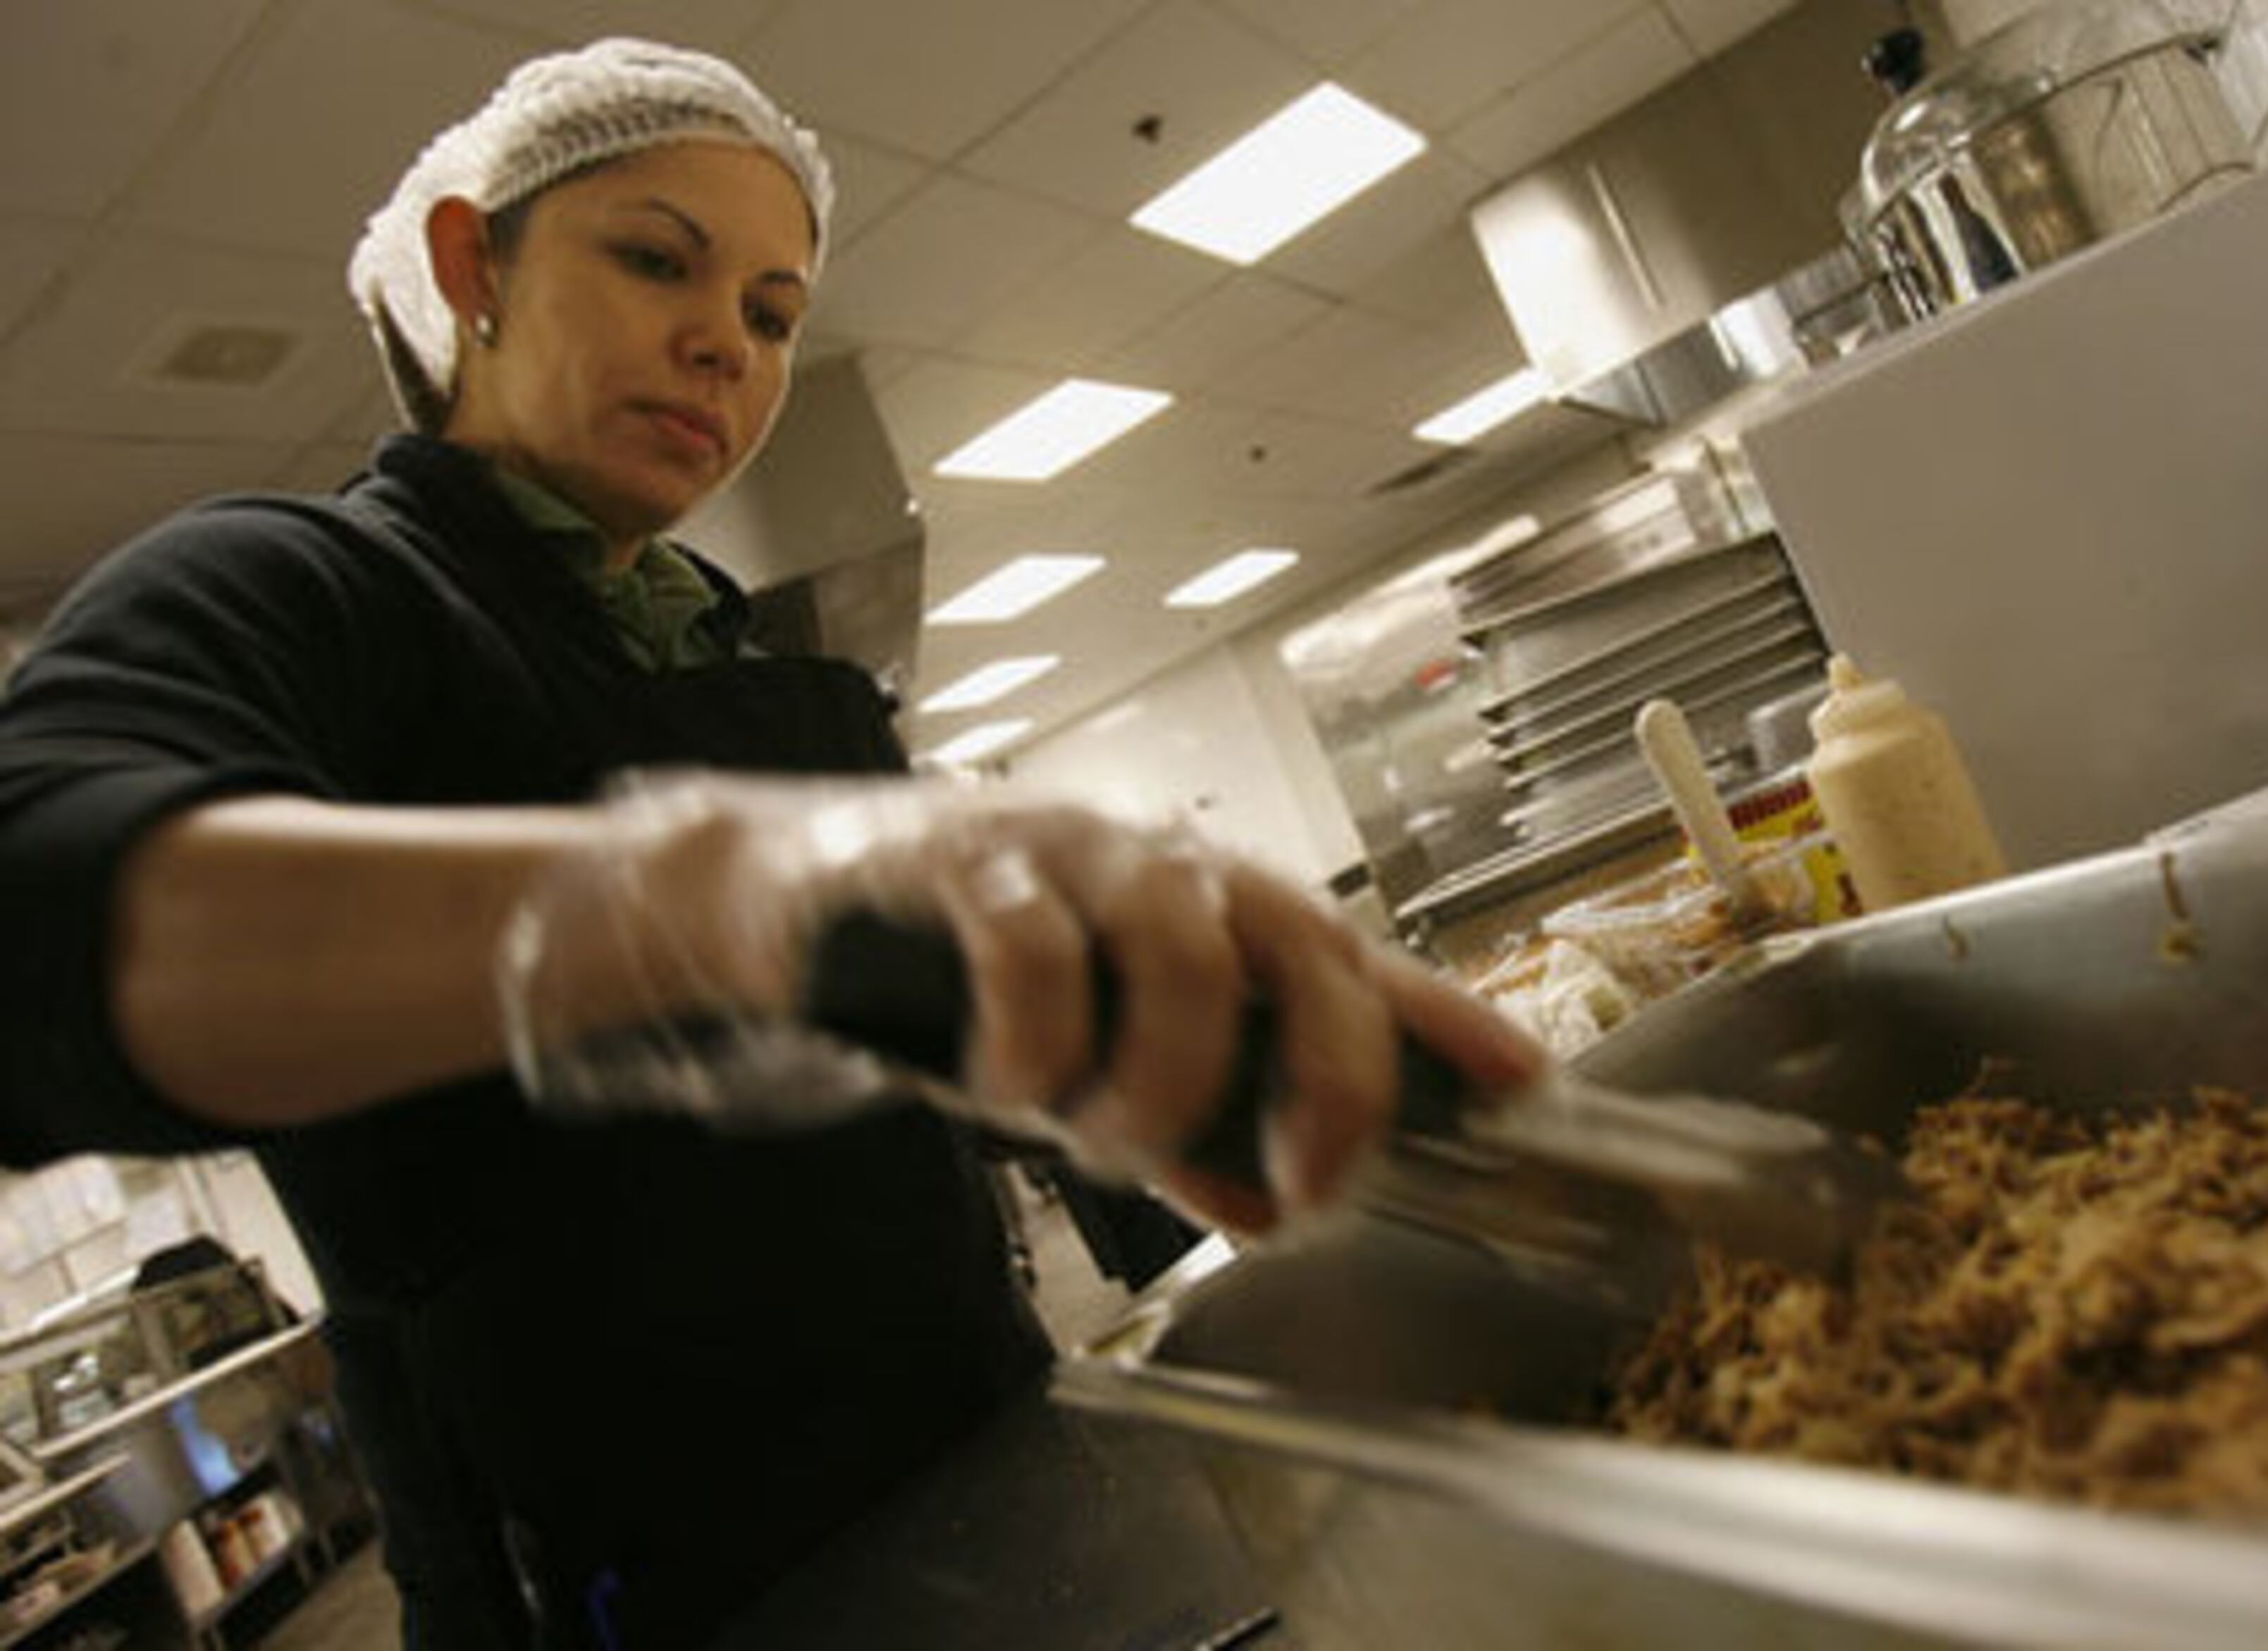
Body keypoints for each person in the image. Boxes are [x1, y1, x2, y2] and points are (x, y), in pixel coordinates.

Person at [0, 39, 1541, 1649]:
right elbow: (32, 903)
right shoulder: (303, 583)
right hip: (639, 1576)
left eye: (773, 314)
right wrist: (723, 897)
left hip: (989, 1472)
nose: (721, 345)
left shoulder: (742, 662)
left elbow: (921, 1069)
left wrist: (1169, 1072)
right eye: (657, 258)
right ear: (473, 267)